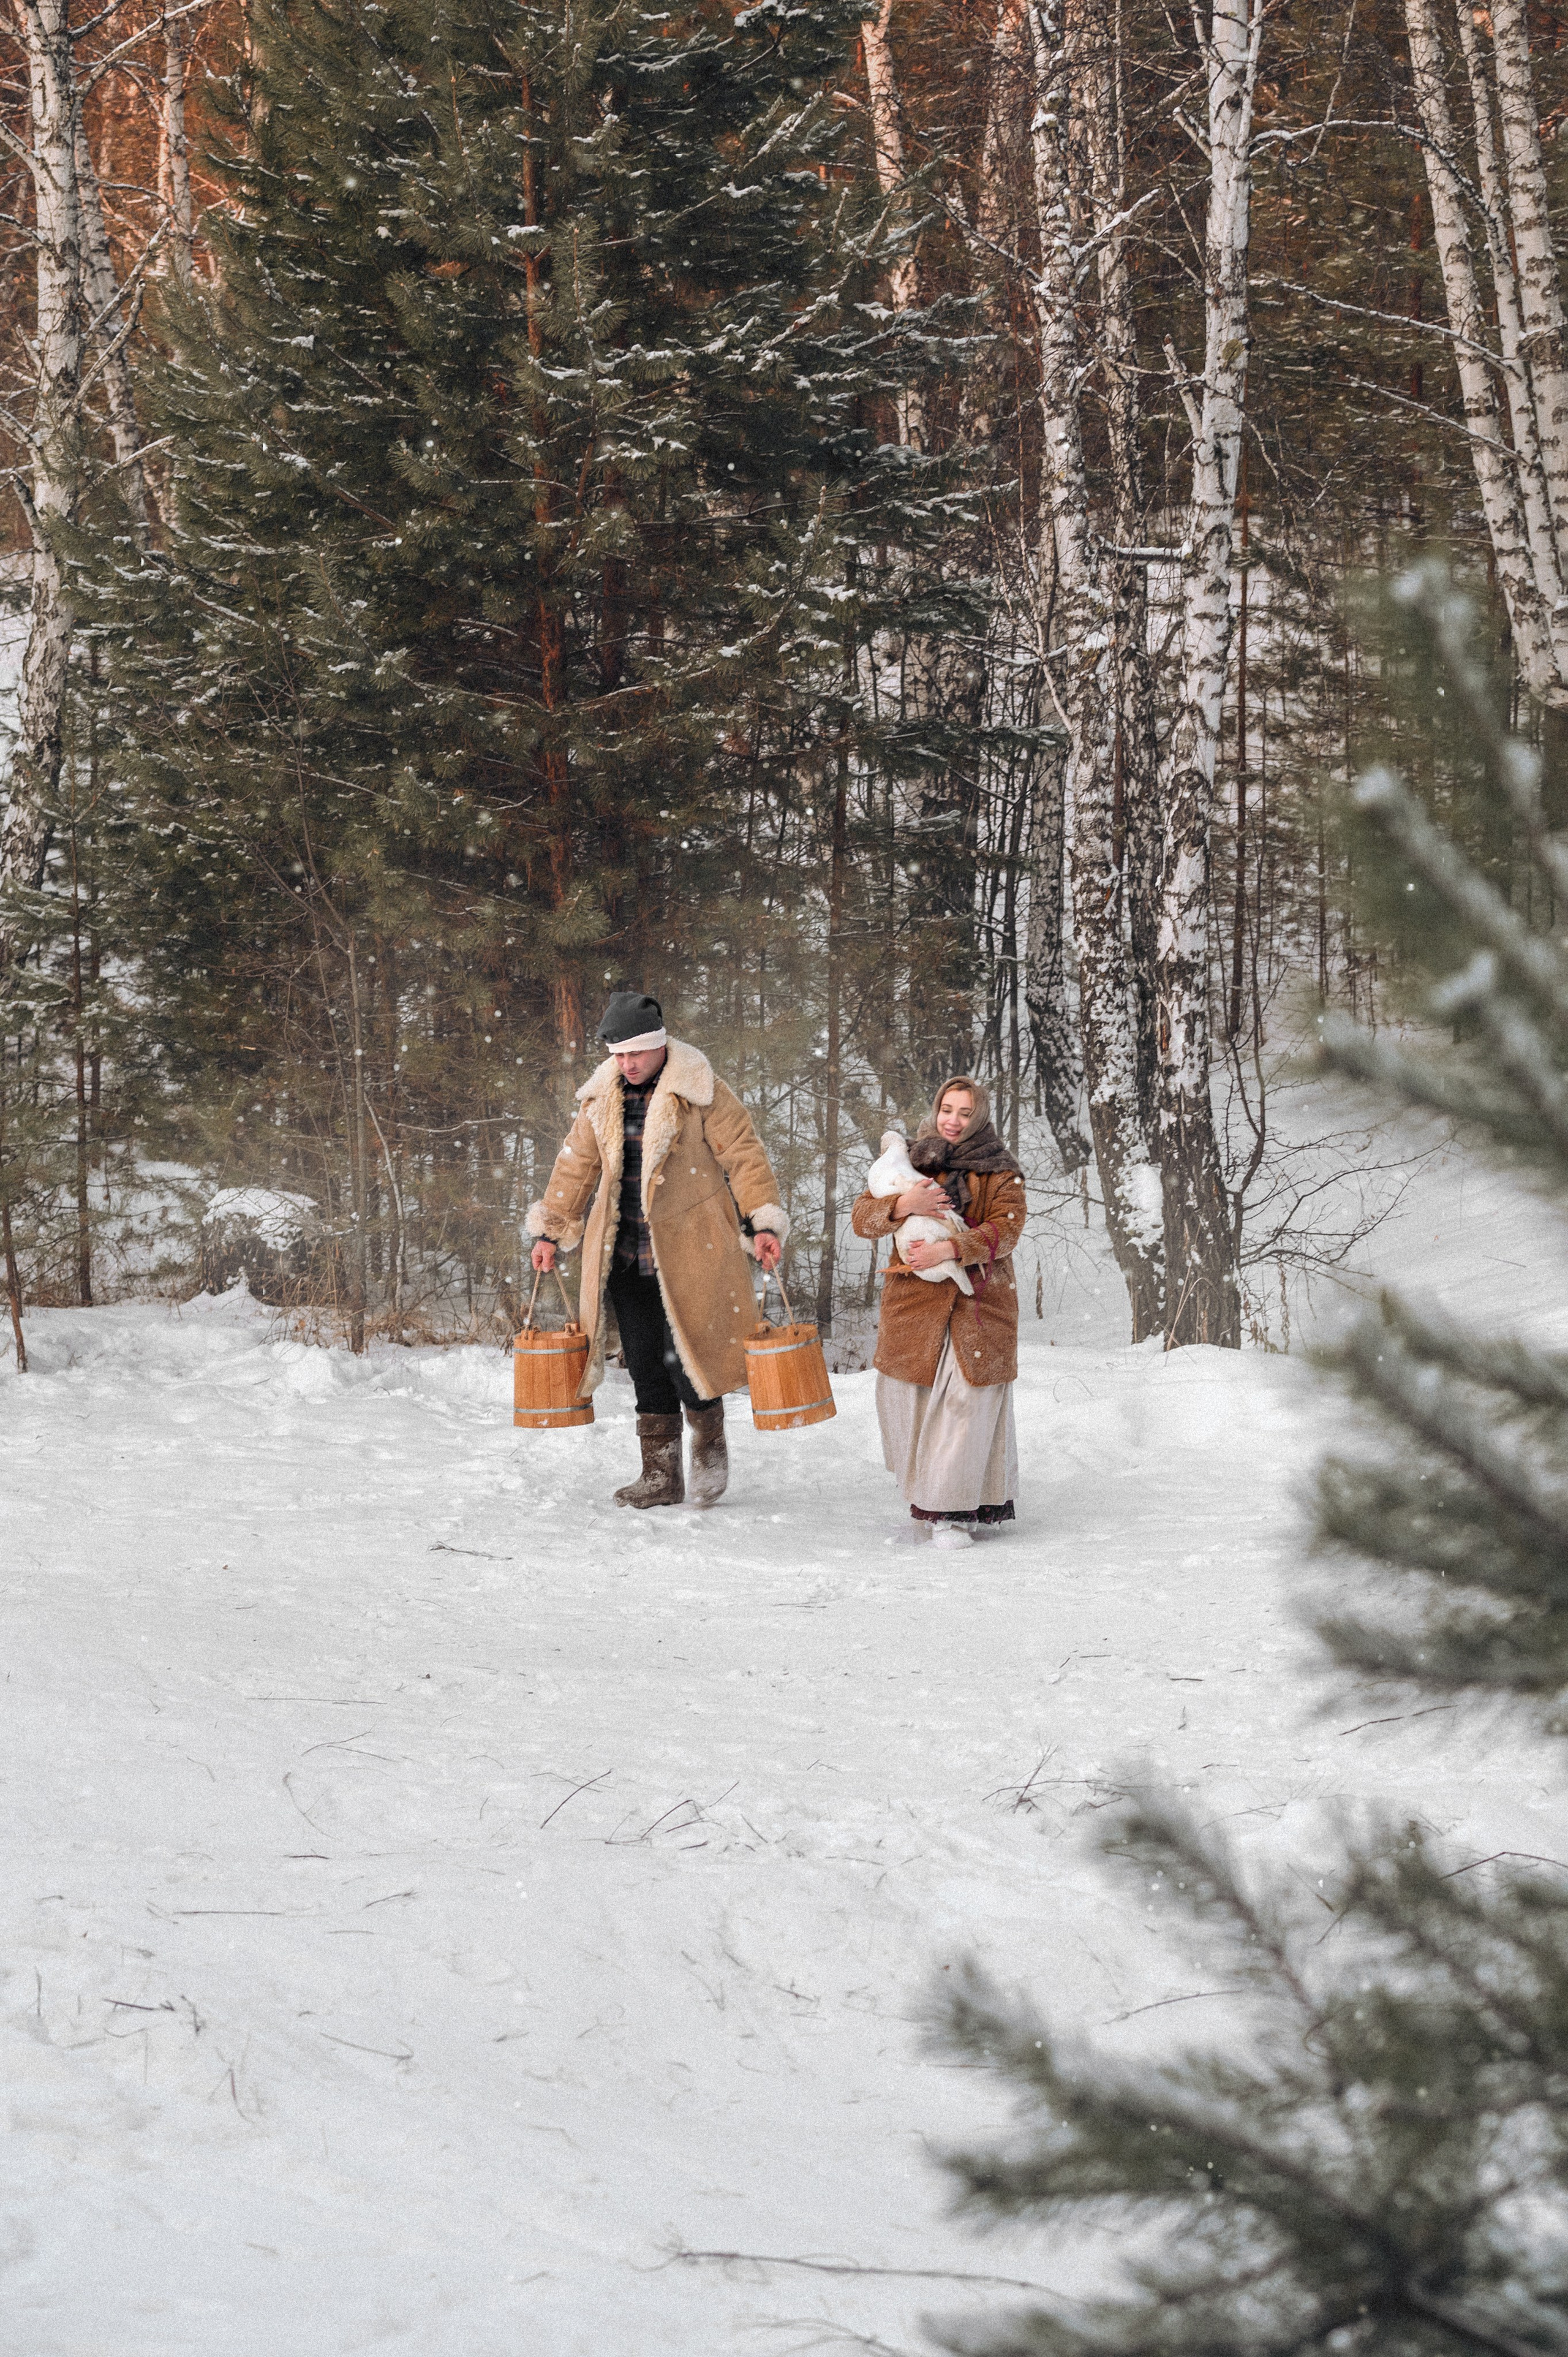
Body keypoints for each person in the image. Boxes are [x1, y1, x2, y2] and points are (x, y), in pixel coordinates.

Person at [526, 993, 788, 1510]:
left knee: (690, 1360)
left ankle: (709, 1443)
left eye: (635, 1053)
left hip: (691, 1251)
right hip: (624, 1255)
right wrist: (550, 1230)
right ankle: (660, 1475)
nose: (627, 1063)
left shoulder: (700, 1091)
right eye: (618, 1054)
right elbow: (576, 1165)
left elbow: (744, 1154)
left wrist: (761, 1218)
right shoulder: (602, 1096)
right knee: (645, 1363)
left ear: (659, 1045)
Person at [850, 1076, 1027, 1548]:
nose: (953, 1119)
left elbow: (1006, 1231)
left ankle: (950, 1510)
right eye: (947, 1108)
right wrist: (907, 1203)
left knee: (966, 1402)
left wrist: (950, 1247)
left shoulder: (1000, 1171)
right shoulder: (908, 1160)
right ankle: (934, 1495)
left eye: (965, 1112)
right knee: (913, 1401)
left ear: (980, 1117)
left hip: (979, 1304)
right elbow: (862, 1219)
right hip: (916, 1307)